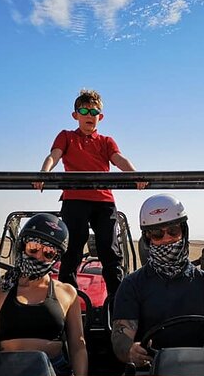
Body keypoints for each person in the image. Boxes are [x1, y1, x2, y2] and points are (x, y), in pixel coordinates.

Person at [111, 194, 204, 367]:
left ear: (184, 231)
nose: (167, 239)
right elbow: (121, 336)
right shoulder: (132, 284)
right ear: (147, 239)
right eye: (157, 234)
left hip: (198, 368)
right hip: (151, 369)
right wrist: (130, 350)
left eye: (173, 231)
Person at [34, 89, 146, 297]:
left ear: (100, 117)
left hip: (103, 201)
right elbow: (54, 156)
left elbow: (119, 159)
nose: (89, 115)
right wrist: (44, 173)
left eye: (93, 112)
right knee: (72, 250)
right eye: (84, 110)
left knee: (109, 251)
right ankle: (69, 300)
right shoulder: (66, 136)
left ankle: (118, 303)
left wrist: (135, 175)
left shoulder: (106, 141)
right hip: (75, 199)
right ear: (75, 115)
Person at [0, 213, 87, 376]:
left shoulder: (67, 293)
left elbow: (78, 347)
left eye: (49, 253)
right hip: (8, 373)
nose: (39, 256)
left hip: (54, 373)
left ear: (56, 257)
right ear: (23, 246)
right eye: (34, 248)